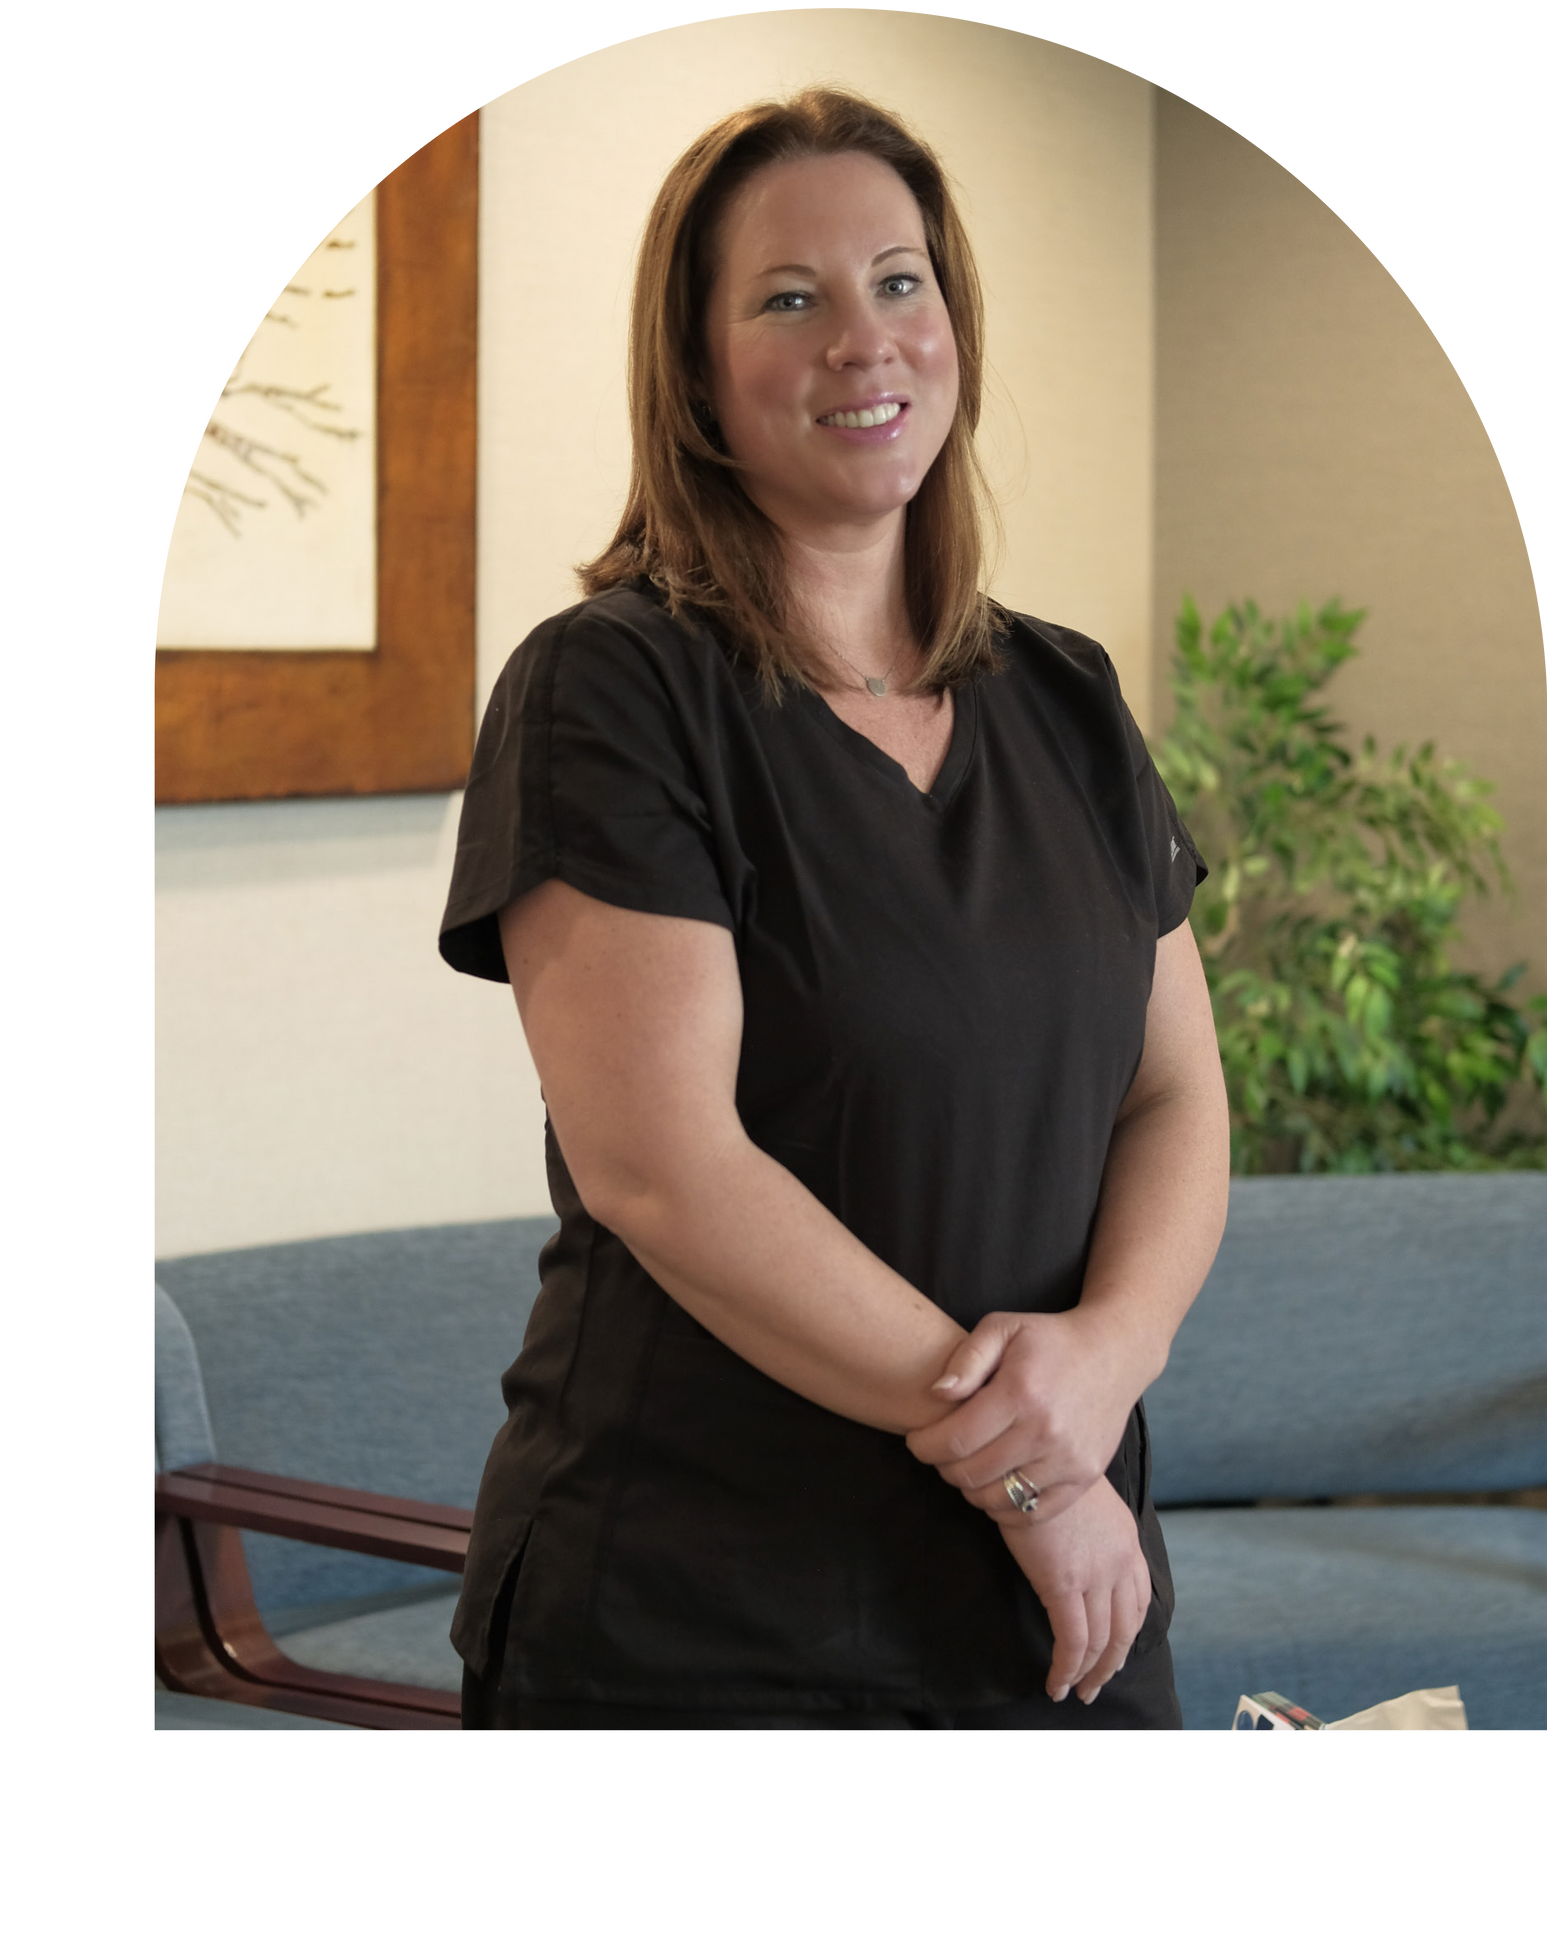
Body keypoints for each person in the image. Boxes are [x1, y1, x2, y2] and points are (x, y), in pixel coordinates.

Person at [437, 87, 1229, 1728]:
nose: (865, 339)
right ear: (700, 378)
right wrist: (1033, 1471)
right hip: (710, 1603)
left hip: (1061, 1588)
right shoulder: (617, 688)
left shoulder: (1068, 698)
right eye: (789, 299)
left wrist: (1110, 1361)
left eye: (901, 280)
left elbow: (1174, 1094)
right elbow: (669, 1170)